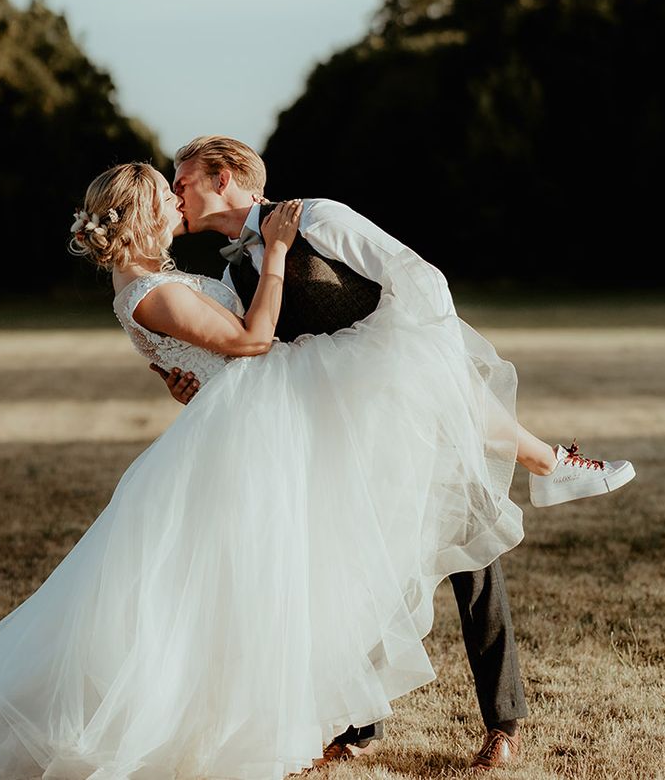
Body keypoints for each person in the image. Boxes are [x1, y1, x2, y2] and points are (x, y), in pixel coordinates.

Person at [0, 159, 529, 780]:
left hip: (262, 426)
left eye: (181, 188)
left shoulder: (159, 280)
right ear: (147, 213)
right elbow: (251, 342)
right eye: (168, 195)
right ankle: (299, 723)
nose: (180, 204)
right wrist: (278, 253)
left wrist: (197, 371)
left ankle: (385, 718)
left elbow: (219, 354)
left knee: (291, 579)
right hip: (244, 441)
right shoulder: (148, 286)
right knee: (252, 590)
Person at [154, 135, 635, 771]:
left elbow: (418, 280)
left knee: (473, 555)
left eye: (182, 179)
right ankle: (359, 728)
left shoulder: (317, 217)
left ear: (224, 177)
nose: (175, 192)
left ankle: (503, 721)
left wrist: (413, 370)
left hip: (404, 398)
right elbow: (254, 357)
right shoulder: (238, 271)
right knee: (355, 566)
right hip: (341, 434)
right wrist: (192, 385)